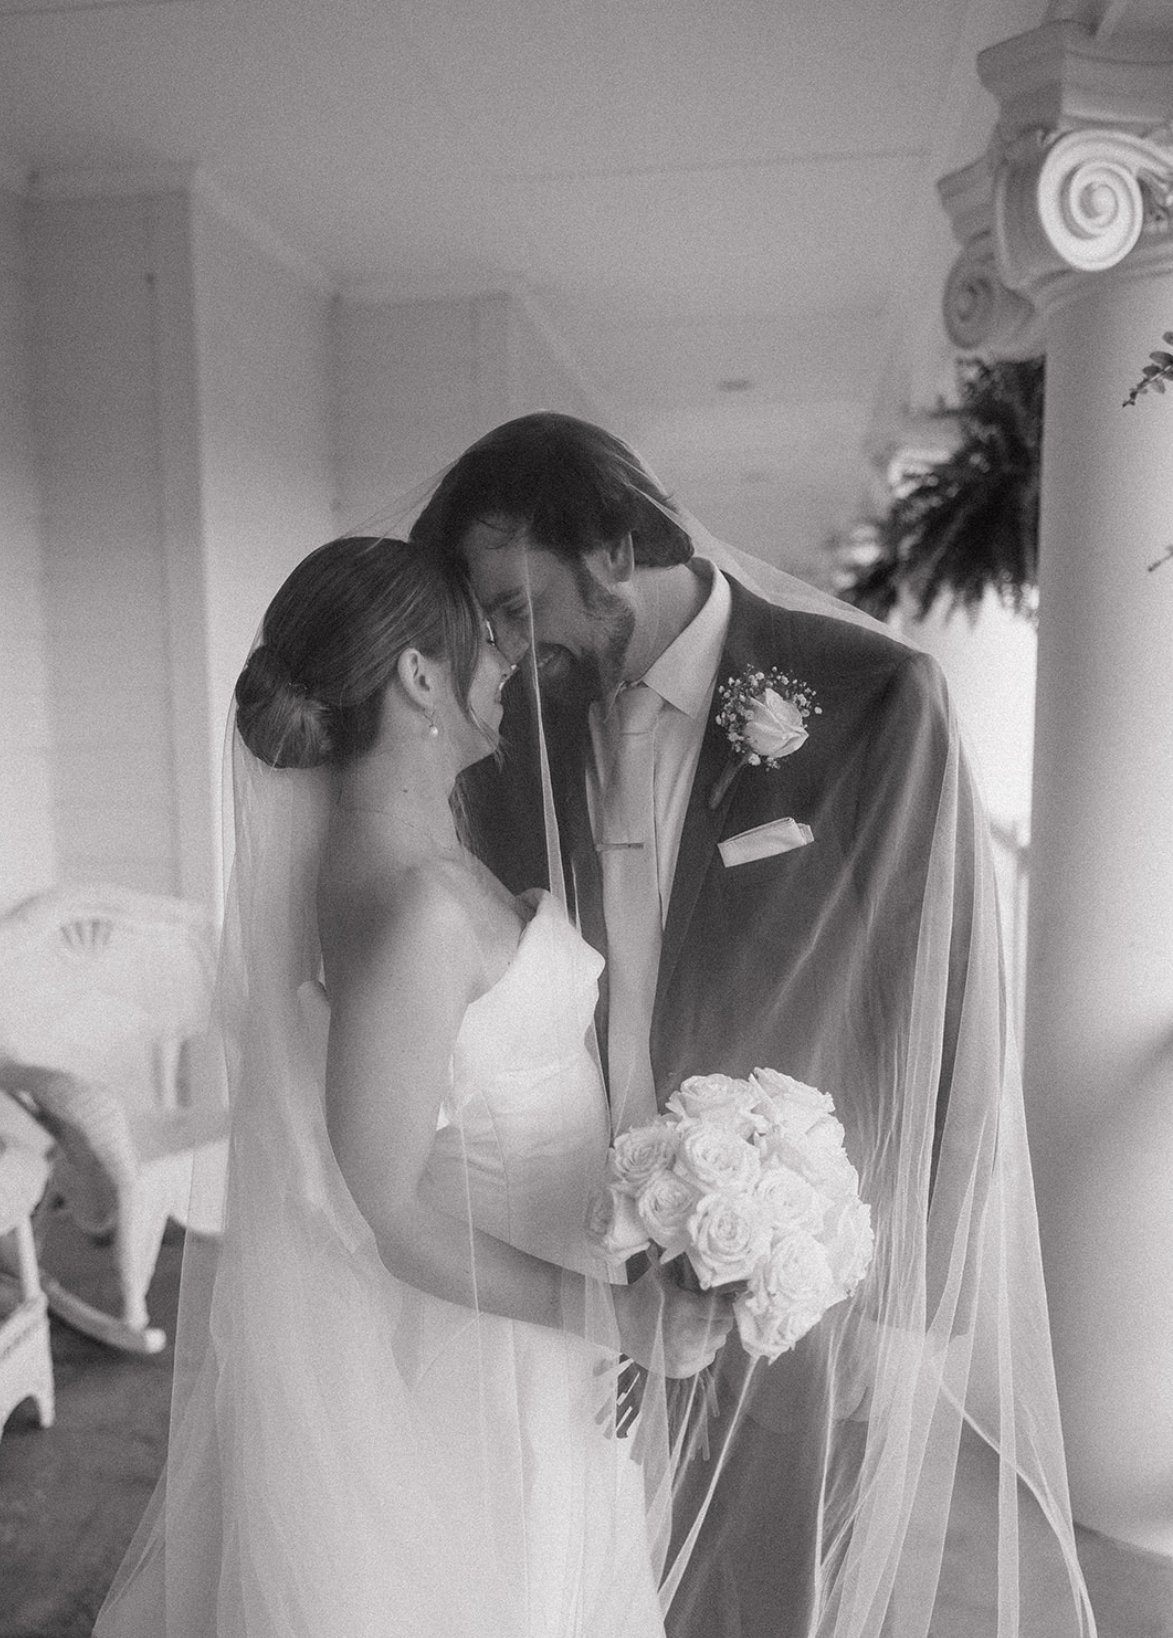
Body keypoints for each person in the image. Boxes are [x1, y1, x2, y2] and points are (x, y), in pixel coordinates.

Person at [410, 414, 1098, 1638]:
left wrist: (914, 1292)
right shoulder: (521, 725)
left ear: (615, 545)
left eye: (518, 607)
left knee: (767, 1587)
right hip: (571, 1231)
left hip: (778, 1246)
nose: (509, 649)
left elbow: (943, 993)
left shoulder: (873, 700)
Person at [93, 534, 733, 1638]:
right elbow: (384, 1208)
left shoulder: (424, 857)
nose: (509, 664)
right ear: (419, 676)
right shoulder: (415, 907)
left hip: (538, 1331)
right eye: (488, 639)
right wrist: (610, 1313)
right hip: (482, 1375)